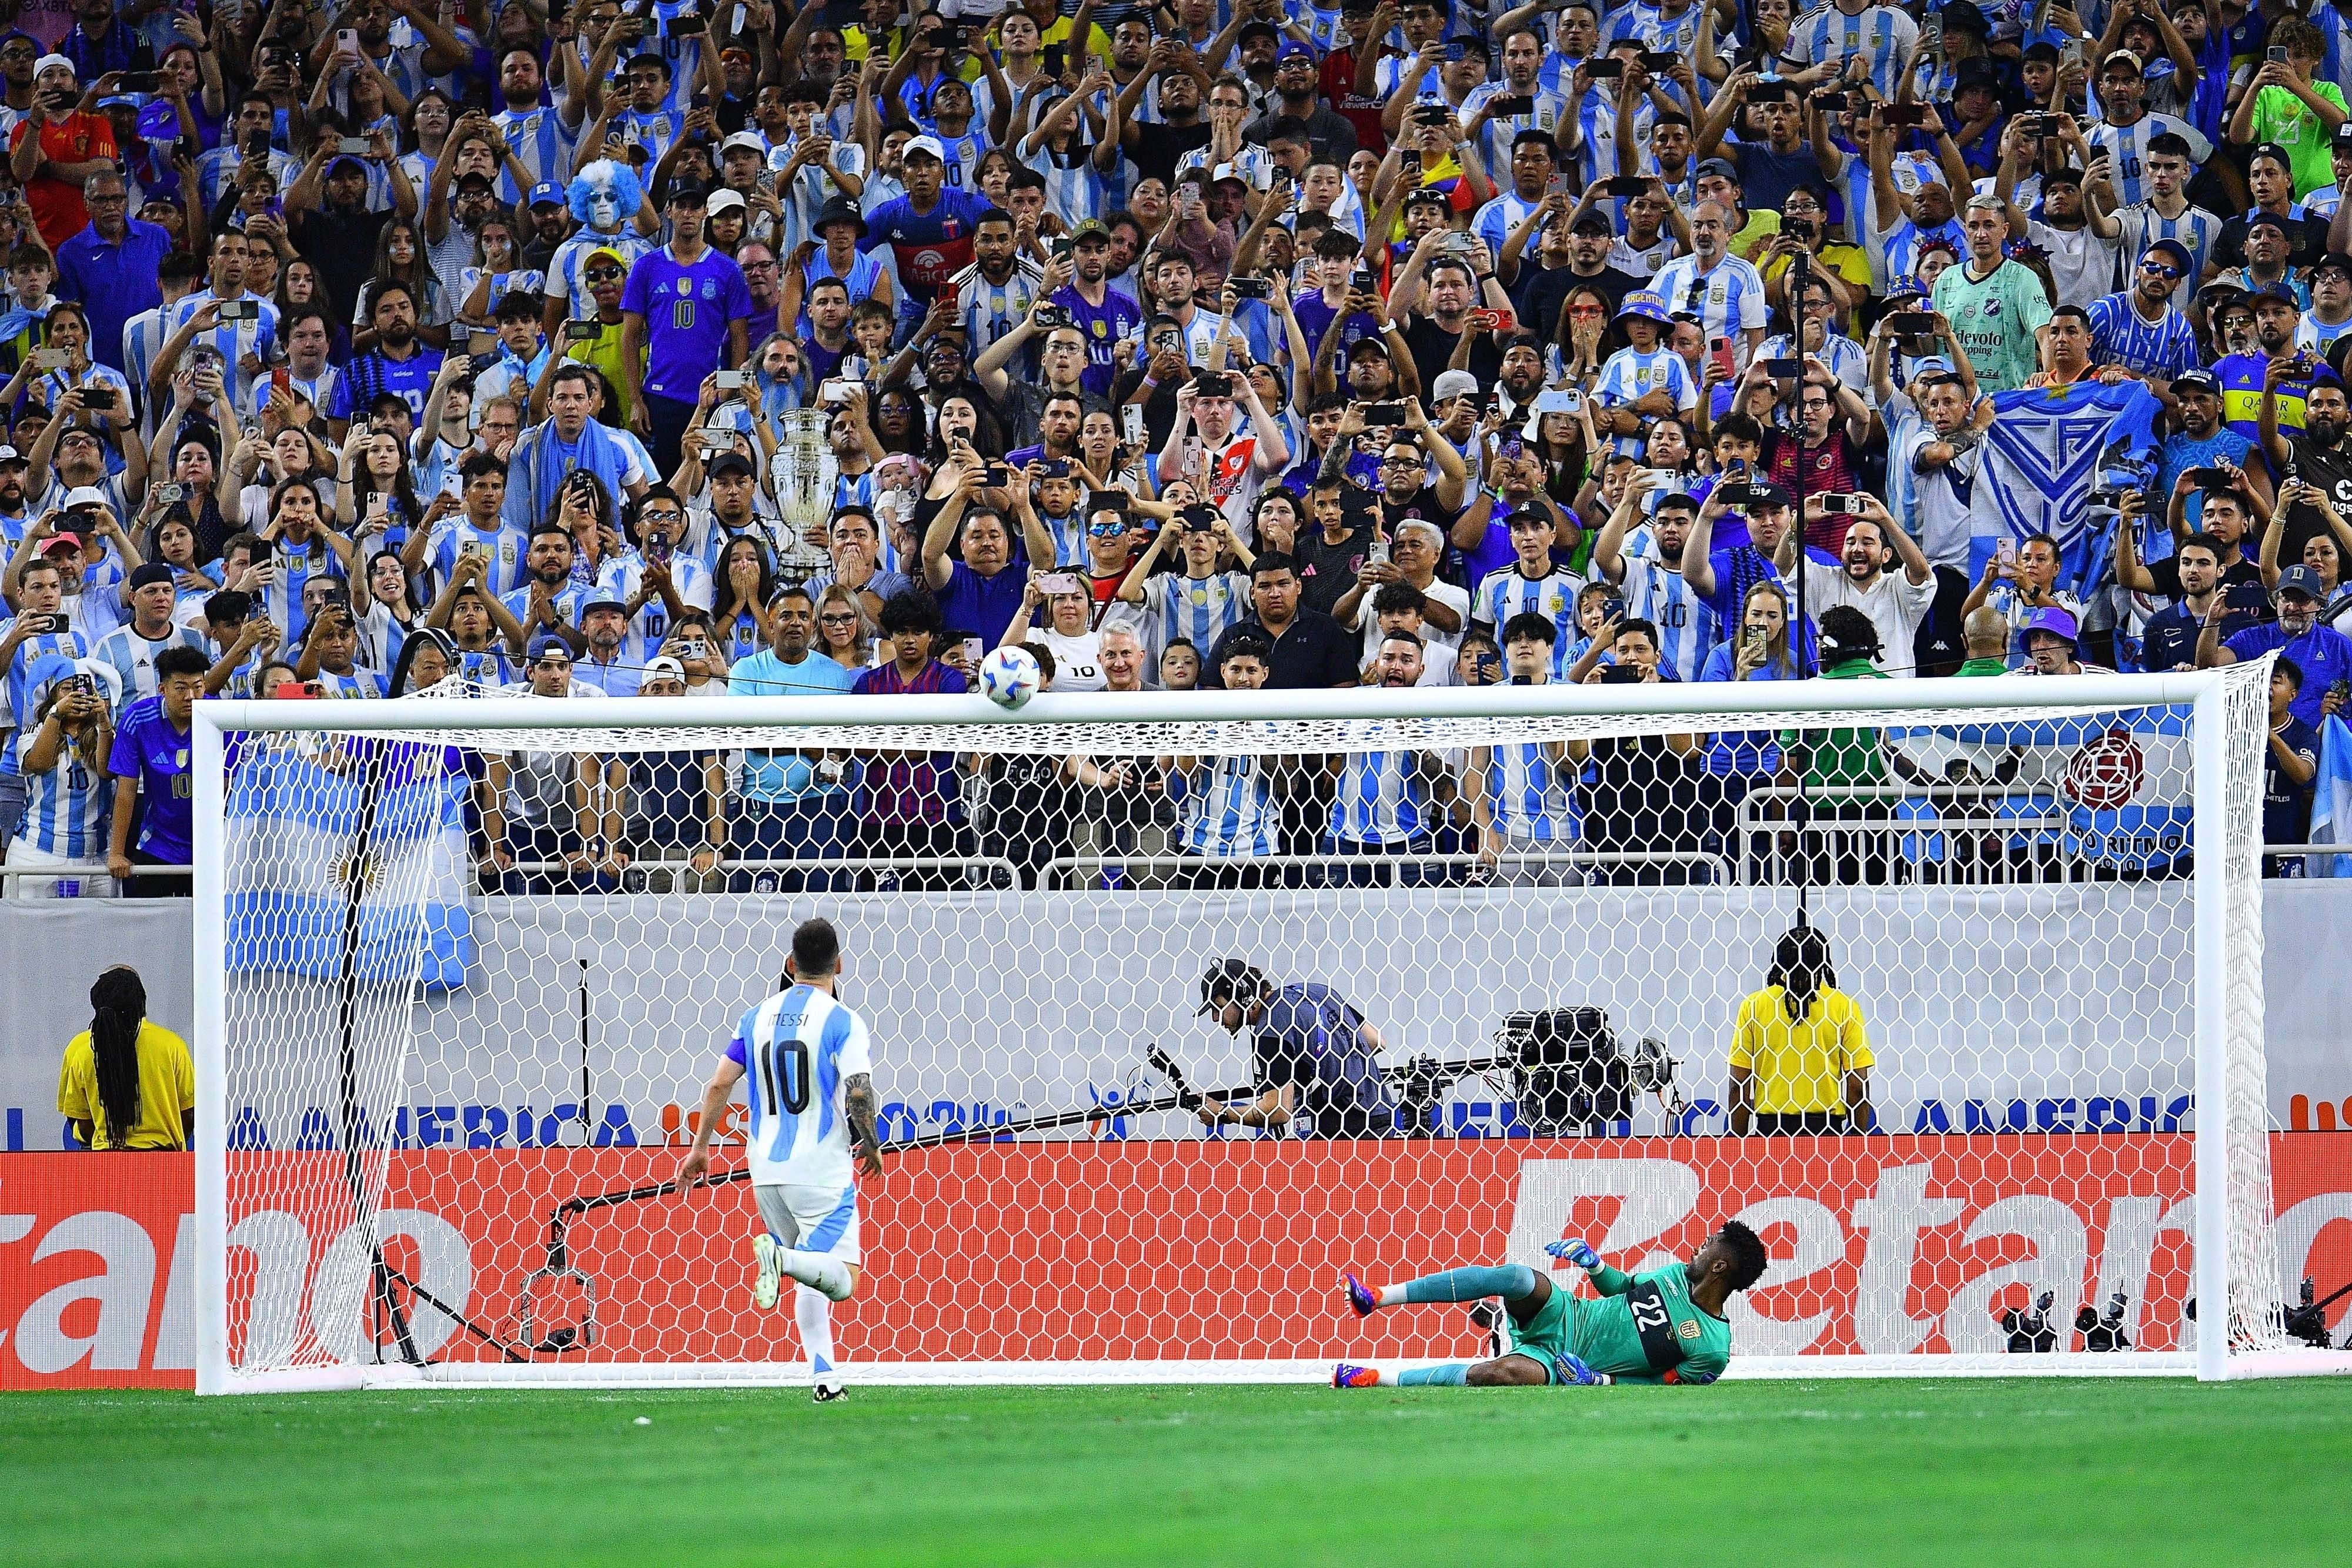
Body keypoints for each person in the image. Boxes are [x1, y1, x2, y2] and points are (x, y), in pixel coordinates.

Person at [678, 917, 883, 1405]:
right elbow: (858, 1089)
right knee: (843, 1279)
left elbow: (719, 1084)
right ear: (839, 964)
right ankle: (781, 1259)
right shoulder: (842, 1019)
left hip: (765, 1172)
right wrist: (871, 1141)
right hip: (821, 1171)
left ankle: (826, 1379)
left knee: (812, 1272)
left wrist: (701, 1148)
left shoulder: (755, 1016)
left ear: (790, 965)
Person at [1331, 1221, 1768, 1388]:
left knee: (1501, 1374)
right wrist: (1595, 1263)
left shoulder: (1712, 1347)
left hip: (1564, 1361)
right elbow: (1621, 1288)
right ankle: (1378, 1296)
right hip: (1569, 1312)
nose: (1699, 1247)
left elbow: (1662, 1385)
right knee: (1518, 1277)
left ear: (1720, 1266)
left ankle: (1377, 1378)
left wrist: (1600, 1381)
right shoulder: (1674, 1273)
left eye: (1709, 1245)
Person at [1193, 957, 1397, 1138]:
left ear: (1244, 995)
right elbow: (1376, 1041)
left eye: (1218, 1007)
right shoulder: (1315, 991)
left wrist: (1221, 1113)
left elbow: (1279, 1111)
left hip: (1343, 1136)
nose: (1215, 1018)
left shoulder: (1271, 1030)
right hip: (1380, 1118)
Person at [1728, 923, 1875, 1135]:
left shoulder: (1753, 1006)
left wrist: (1738, 1144)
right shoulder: (1844, 1006)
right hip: (1826, 1134)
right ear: (1824, 962)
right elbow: (1857, 1088)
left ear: (1778, 961)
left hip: (1771, 1133)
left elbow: (1738, 1087)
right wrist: (1857, 1140)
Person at [105, 643, 205, 896]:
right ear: (163, 689)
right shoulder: (138, 718)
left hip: (211, 848)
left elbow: (228, 787)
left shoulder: (220, 718)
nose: (190, 697)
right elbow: (126, 790)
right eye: (181, 689)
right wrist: (117, 853)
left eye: (198, 687)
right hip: (158, 845)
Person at [57, 965, 192, 1150]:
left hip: (106, 1165)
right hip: (163, 1165)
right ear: (141, 1002)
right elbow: (188, 1114)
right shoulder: (172, 1046)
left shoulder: (79, 1048)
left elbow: (82, 1122)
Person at [2263, 657, 2323, 877]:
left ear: (2293, 694)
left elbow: (2303, 775)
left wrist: (2272, 737)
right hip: (2242, 846)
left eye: (2277, 681)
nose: (2268, 687)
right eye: (2265, 680)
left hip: (2286, 848)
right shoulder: (2237, 728)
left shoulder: (2303, 735)